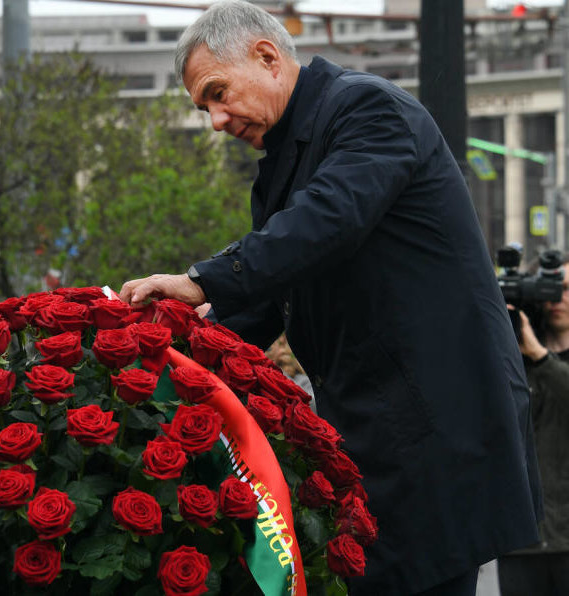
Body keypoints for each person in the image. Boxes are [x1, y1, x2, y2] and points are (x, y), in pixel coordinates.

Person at [119, 2, 541, 594]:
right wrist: (167, 353)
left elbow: (327, 219)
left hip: (435, 433)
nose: (215, 121)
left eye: (217, 93)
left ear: (267, 57)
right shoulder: (286, 155)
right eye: (203, 107)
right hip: (383, 432)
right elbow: (273, 291)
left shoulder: (369, 107)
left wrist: (201, 280)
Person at [499, 279, 569, 595]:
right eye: (551, 287)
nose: (557, 298)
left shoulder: (539, 359)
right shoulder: (512, 359)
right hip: (520, 539)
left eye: (566, 289)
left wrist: (540, 356)